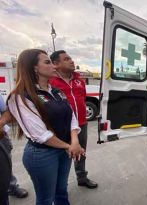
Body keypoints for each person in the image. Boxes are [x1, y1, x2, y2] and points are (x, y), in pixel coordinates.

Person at [7, 49, 84, 205]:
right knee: (46, 199)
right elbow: (40, 134)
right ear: (34, 67)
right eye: (47, 62)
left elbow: (72, 117)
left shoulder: (56, 91)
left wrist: (74, 141)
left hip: (65, 149)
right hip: (42, 155)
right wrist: (70, 146)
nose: (54, 67)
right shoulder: (21, 96)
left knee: (62, 190)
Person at [50, 50, 98, 189]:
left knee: (81, 152)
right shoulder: (51, 82)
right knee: (61, 155)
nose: (71, 61)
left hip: (81, 123)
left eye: (71, 58)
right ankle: (59, 185)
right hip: (61, 127)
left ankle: (81, 177)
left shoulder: (79, 80)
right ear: (56, 64)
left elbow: (82, 99)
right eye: (66, 59)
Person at [0, 95, 28, 202]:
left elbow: (5, 112)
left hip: (1, 136)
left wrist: (1, 124)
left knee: (5, 166)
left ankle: (11, 187)